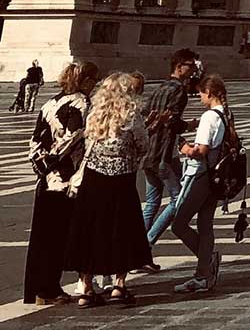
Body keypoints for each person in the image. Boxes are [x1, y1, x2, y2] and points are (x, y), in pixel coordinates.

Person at [66, 72, 153, 307]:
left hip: (94, 179)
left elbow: (86, 143)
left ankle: (85, 287)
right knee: (121, 228)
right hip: (122, 180)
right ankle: (119, 285)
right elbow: (143, 144)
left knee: (91, 229)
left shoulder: (94, 113)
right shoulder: (131, 115)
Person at [23, 60, 99, 304]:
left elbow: (35, 140)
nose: (95, 85)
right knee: (60, 235)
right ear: (86, 81)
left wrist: (42, 166)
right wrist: (56, 161)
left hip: (46, 179)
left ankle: (40, 287)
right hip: (67, 179)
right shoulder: (81, 103)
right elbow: (74, 135)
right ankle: (51, 288)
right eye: (94, 80)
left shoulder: (49, 103)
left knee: (43, 236)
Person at [169, 74, 231, 295]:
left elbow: (200, 151)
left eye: (201, 94)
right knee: (205, 224)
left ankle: (206, 262)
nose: (200, 98)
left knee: (179, 223)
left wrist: (184, 148)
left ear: (210, 94)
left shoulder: (209, 117)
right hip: (217, 176)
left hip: (201, 176)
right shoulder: (227, 114)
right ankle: (202, 275)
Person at [140, 48, 196, 263]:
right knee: (178, 199)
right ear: (179, 66)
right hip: (163, 153)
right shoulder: (179, 90)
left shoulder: (159, 87)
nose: (193, 70)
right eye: (189, 66)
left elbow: (147, 114)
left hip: (148, 151)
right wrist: (188, 125)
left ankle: (137, 248)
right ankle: (146, 244)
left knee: (152, 202)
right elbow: (172, 121)